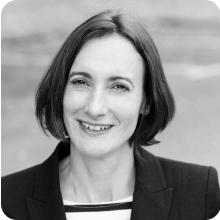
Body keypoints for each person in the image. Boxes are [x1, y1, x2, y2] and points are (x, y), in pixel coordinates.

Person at [1, 10, 220, 220]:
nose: (95, 108)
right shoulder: (6, 200)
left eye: (119, 87)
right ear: (60, 90)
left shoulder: (200, 194)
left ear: (146, 101)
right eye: (81, 82)